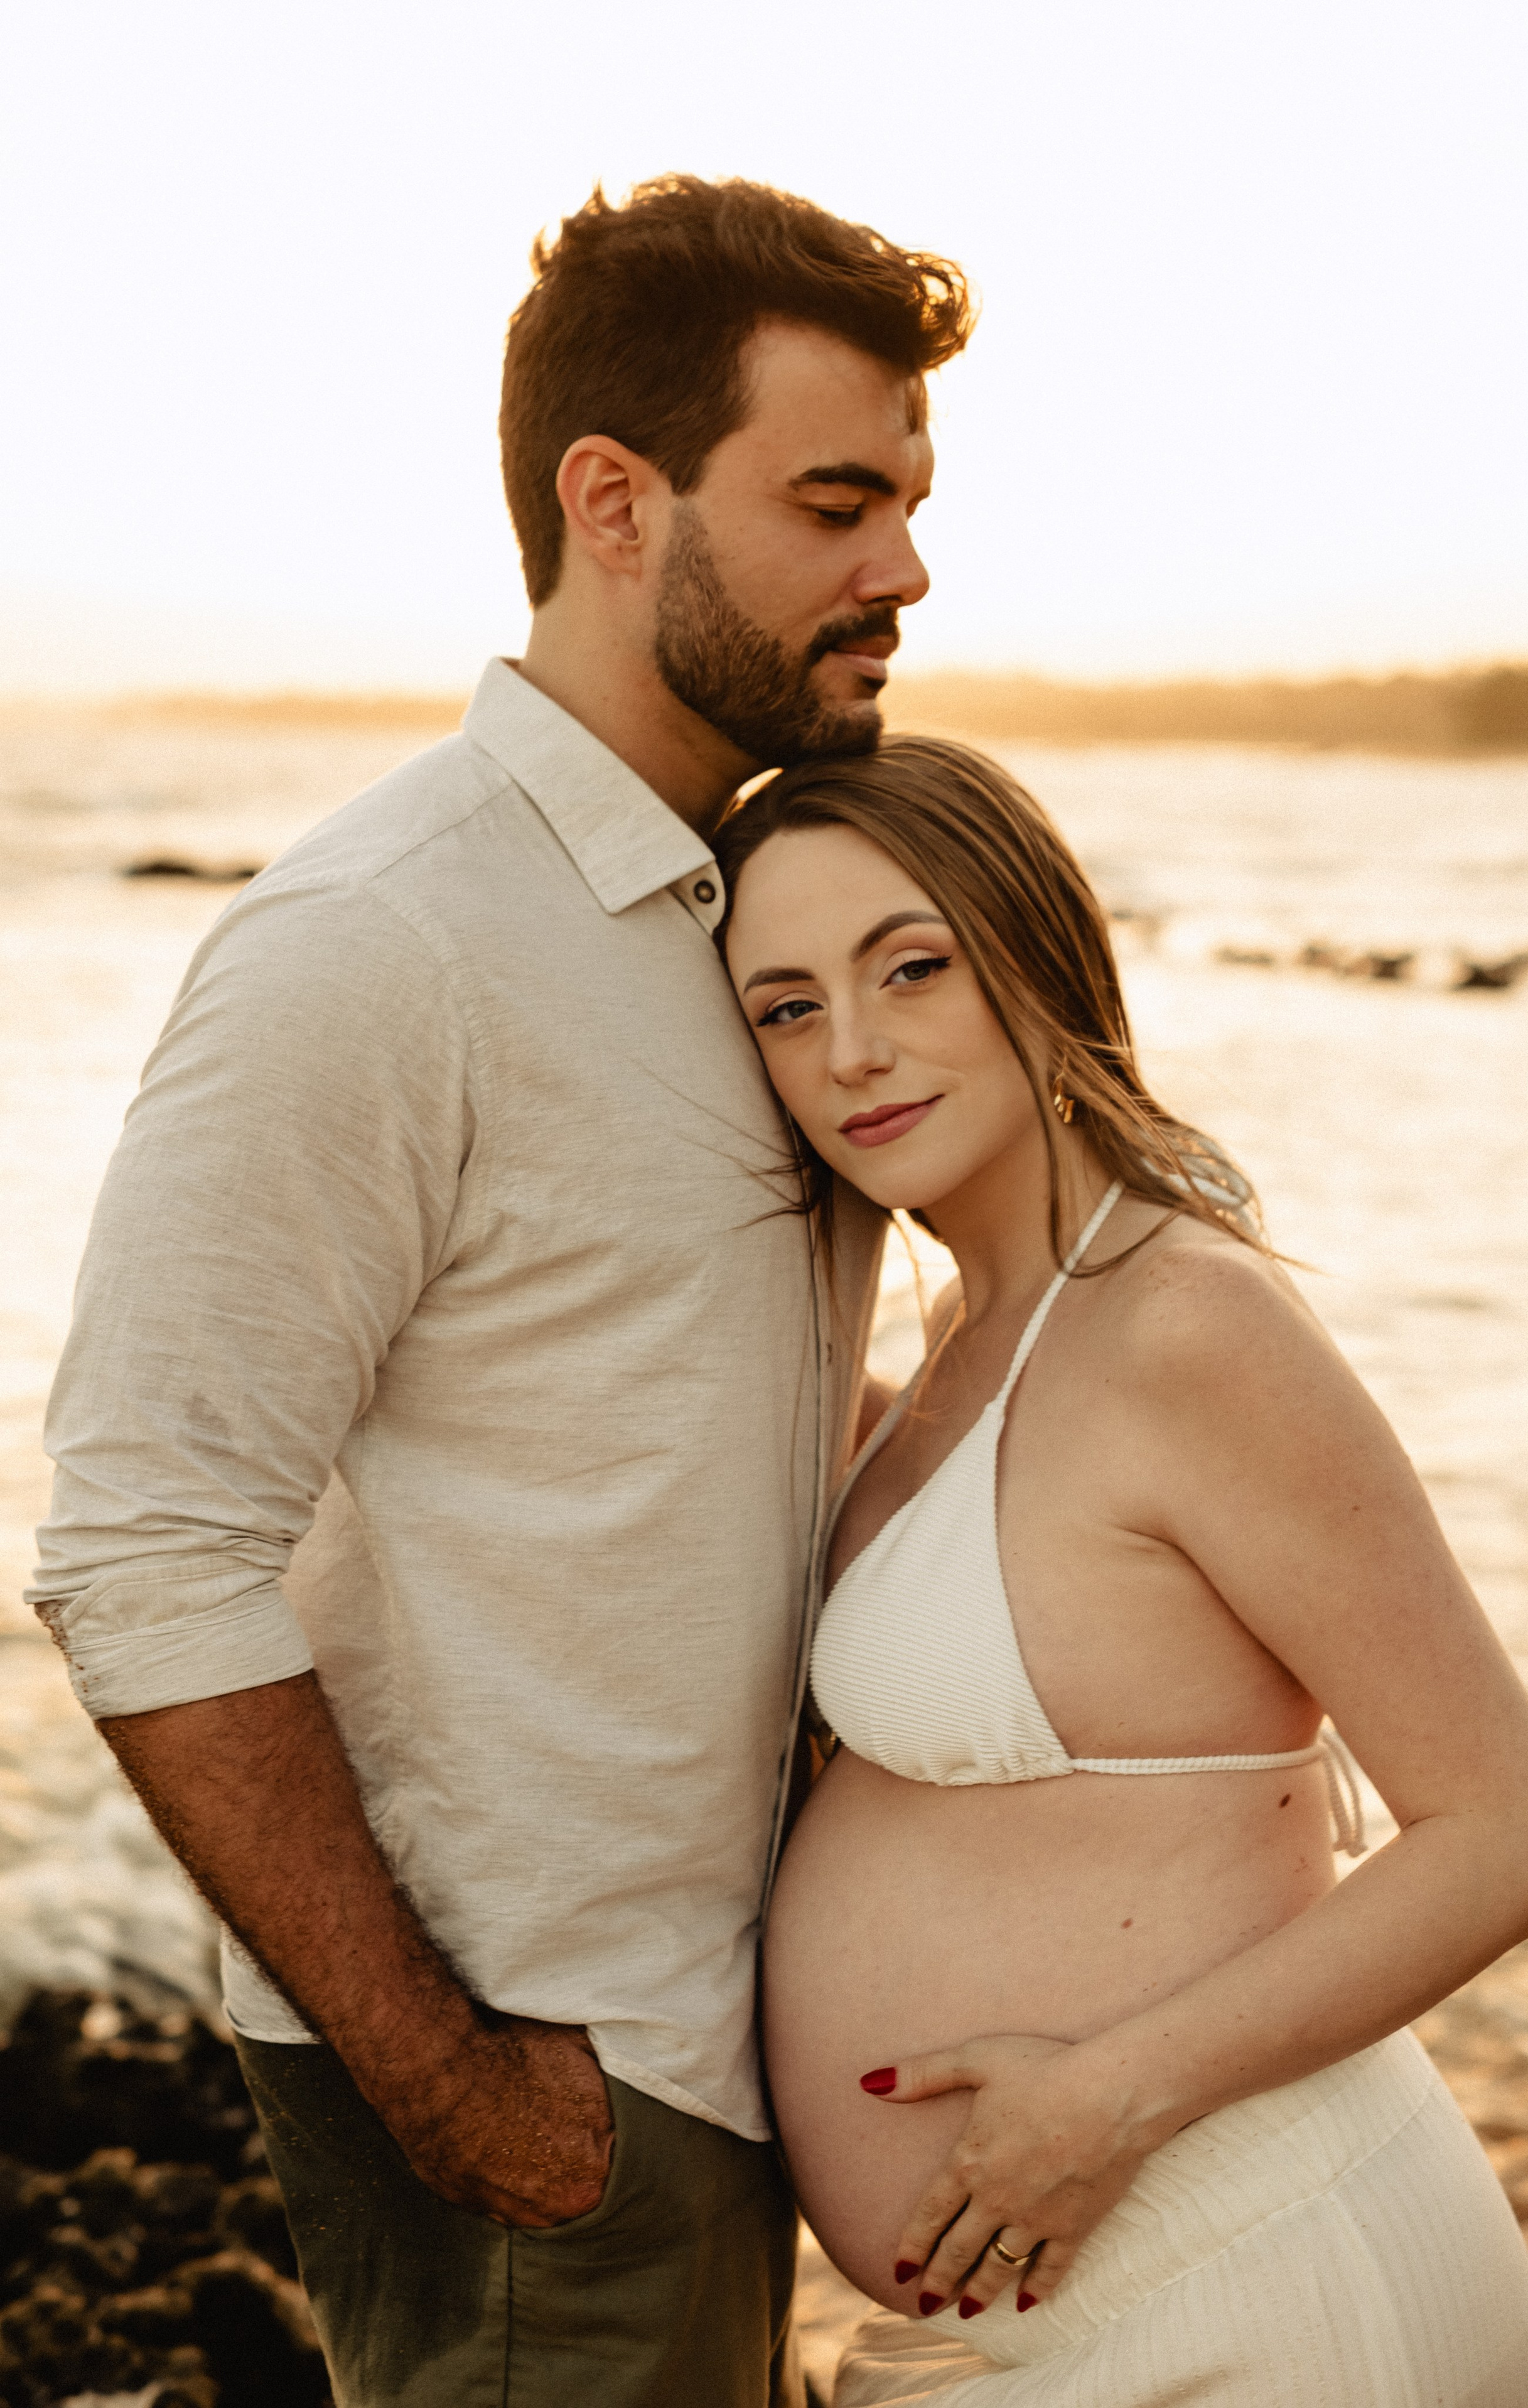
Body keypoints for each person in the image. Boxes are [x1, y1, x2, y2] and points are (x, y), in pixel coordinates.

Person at [28, 180, 971, 2407]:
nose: (907, 571)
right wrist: (459, 2083)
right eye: (839, 501)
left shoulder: (753, 913)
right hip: (552, 2082)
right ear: (615, 503)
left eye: (917, 503)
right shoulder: (384, 942)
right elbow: (143, 1545)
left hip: (721, 2047)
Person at [714, 735, 1528, 2407]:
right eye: (785, 1005)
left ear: (1036, 953)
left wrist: (1107, 2096)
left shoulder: (1188, 1328)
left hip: (1259, 2276)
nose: (855, 1049)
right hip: (1075, 2315)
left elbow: (1520, 1835)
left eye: (913, 966)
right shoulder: (965, 1338)